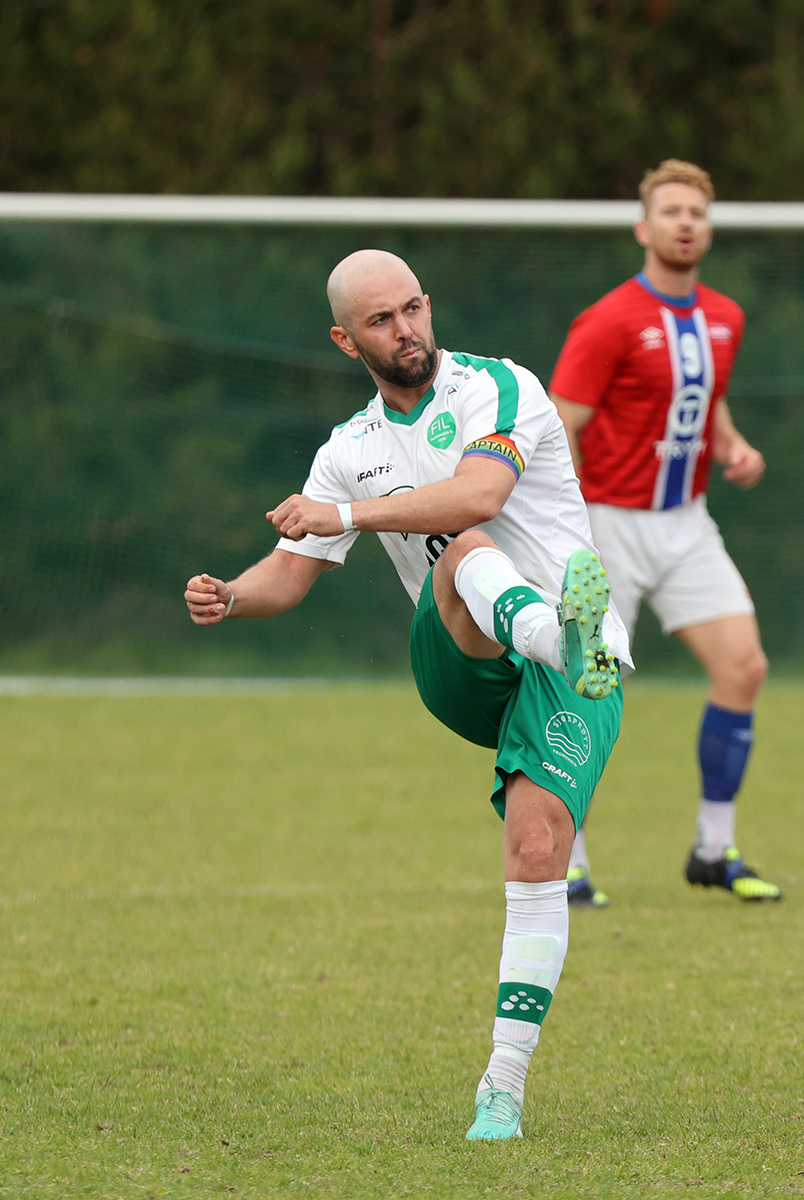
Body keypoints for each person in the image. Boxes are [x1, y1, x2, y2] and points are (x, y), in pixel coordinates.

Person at [182, 249, 632, 1141]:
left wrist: (344, 519)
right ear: (347, 340)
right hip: (459, 662)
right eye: (383, 321)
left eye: (415, 308)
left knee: (538, 845)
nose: (408, 329)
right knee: (465, 553)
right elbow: (289, 570)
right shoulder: (348, 450)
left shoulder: (497, 387)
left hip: (581, 673)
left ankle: (501, 1086)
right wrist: (233, 595)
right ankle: (551, 633)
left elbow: (480, 487)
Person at [548, 159, 781, 906]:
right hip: (608, 526)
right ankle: (569, 860)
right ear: (644, 228)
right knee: (583, 687)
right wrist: (571, 531)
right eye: (672, 211)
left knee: (743, 668)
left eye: (698, 213)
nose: (687, 223)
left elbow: (704, 406)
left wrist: (734, 448)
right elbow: (561, 424)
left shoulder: (725, 318)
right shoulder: (609, 320)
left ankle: (714, 851)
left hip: (687, 526)